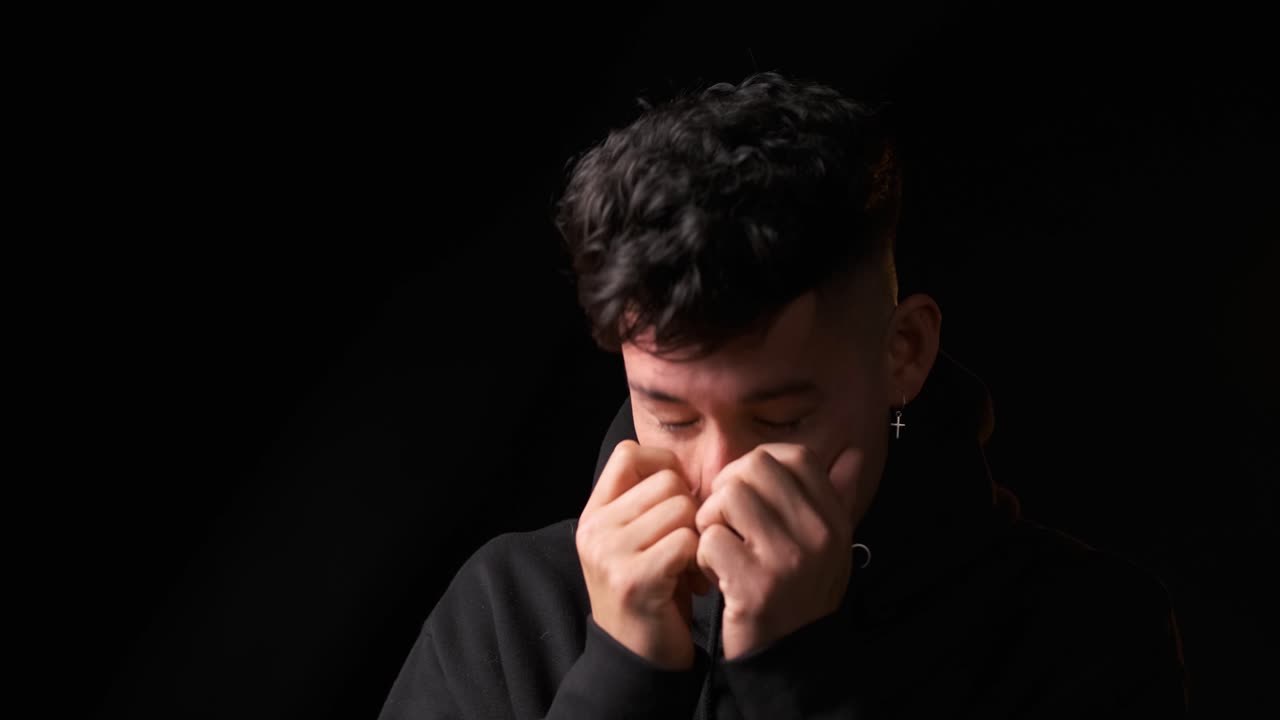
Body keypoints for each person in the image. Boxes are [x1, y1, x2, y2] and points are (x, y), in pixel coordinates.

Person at [378, 72, 1188, 719]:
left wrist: (796, 679)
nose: (721, 476)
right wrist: (621, 681)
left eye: (780, 419)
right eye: (672, 415)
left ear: (904, 353)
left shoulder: (1084, 632)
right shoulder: (506, 609)